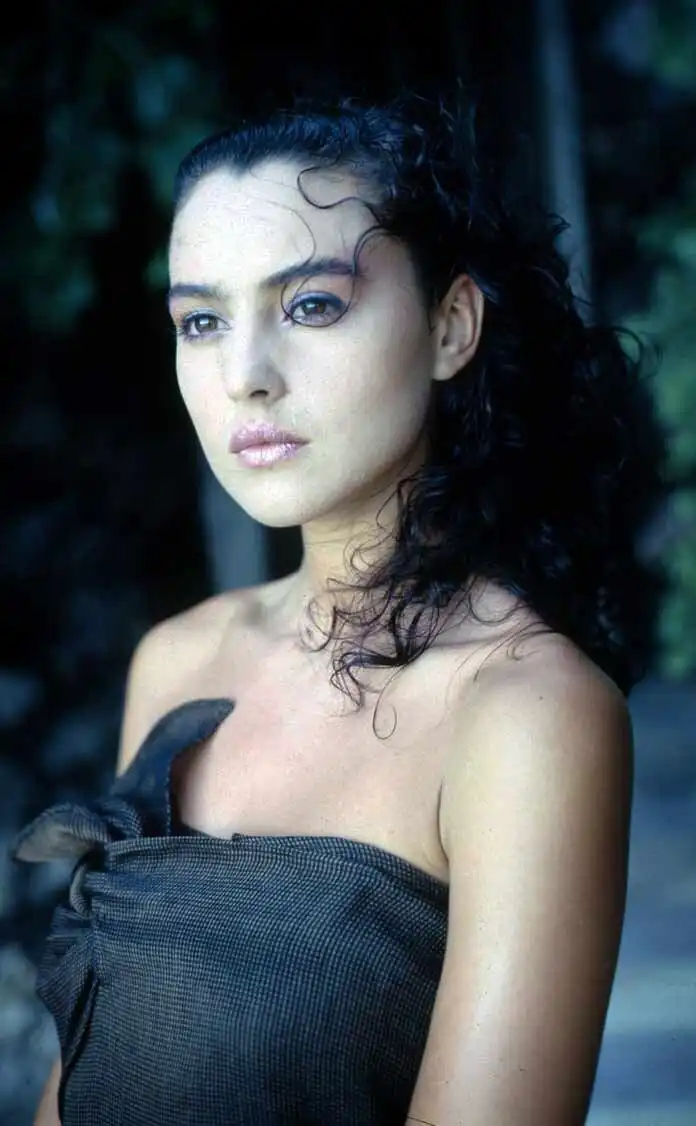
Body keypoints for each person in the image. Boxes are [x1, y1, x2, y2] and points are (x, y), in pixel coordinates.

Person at [17, 85, 668, 1126]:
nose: (245, 376)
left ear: (451, 325)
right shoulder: (177, 659)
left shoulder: (526, 714)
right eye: (201, 321)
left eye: (311, 305)